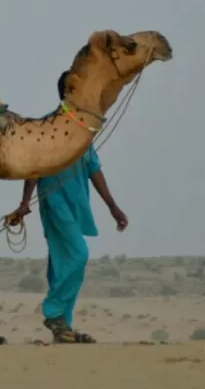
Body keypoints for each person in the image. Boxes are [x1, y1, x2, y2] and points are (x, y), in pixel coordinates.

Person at [11, 72, 128, 344]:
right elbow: (34, 167)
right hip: (54, 203)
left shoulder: (84, 129)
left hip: (77, 203)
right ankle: (53, 312)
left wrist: (113, 207)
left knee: (63, 263)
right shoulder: (49, 126)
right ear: (67, 91)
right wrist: (24, 203)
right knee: (78, 255)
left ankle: (64, 326)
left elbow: (94, 169)